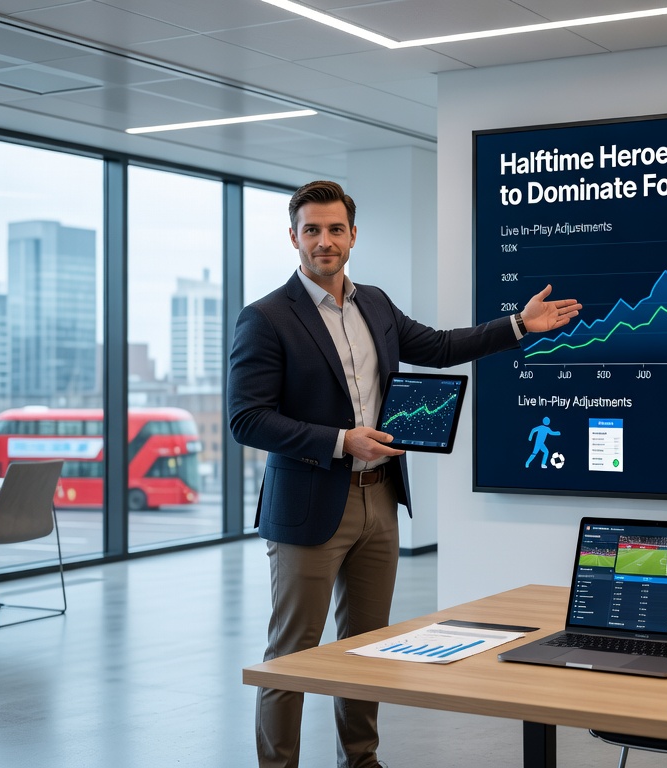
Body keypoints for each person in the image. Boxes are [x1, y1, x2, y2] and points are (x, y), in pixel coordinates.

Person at [227, 180, 580, 768]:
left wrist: (517, 326)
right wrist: (340, 441)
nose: (324, 241)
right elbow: (246, 418)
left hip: (380, 500)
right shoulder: (265, 318)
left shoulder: (376, 304)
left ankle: (360, 759)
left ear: (353, 236)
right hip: (310, 505)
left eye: (335, 229)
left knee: (367, 647)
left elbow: (440, 346)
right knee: (292, 653)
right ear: (293, 237)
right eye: (311, 230)